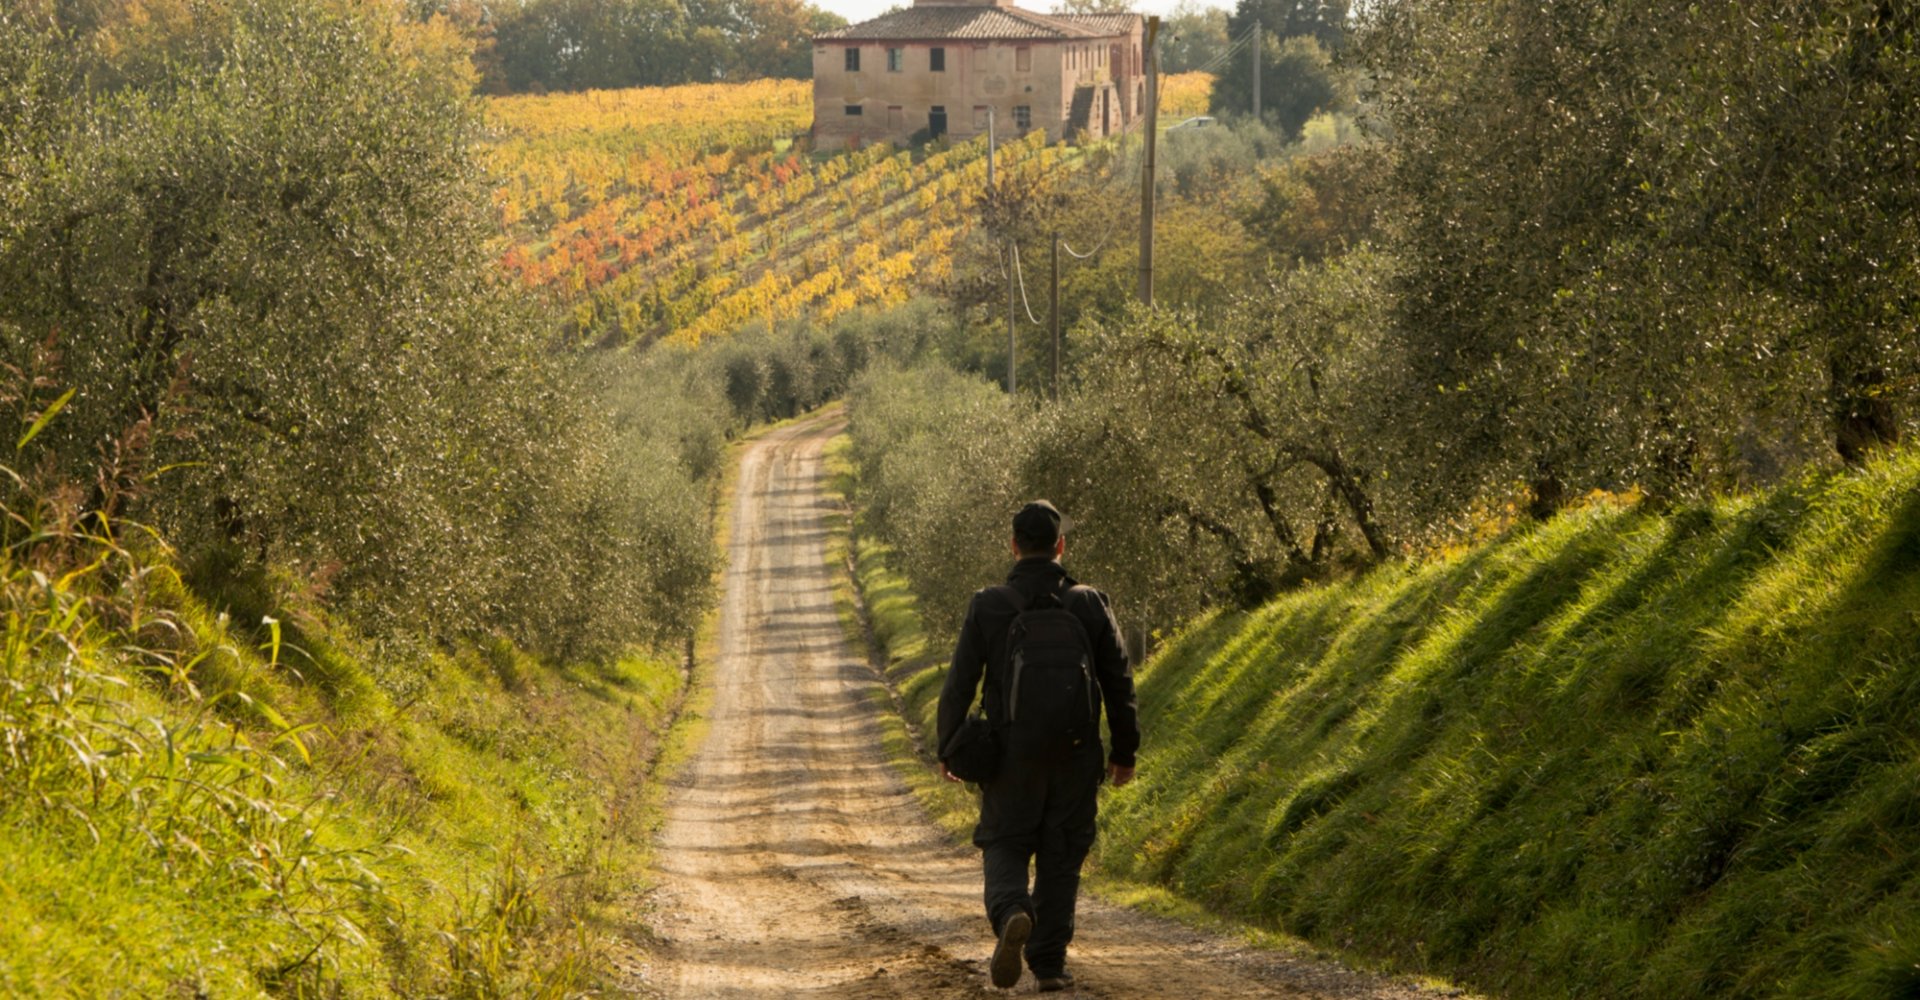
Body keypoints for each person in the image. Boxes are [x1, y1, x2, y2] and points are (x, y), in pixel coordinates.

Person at [937, 500, 1140, 993]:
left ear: (1013, 545)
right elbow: (1119, 680)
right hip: (1076, 754)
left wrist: (949, 748)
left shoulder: (989, 604)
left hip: (1009, 756)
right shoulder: (1089, 603)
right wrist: (1124, 751)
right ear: (1060, 546)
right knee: (1062, 852)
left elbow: (960, 683)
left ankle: (1012, 911)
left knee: (1005, 841)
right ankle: (1048, 963)